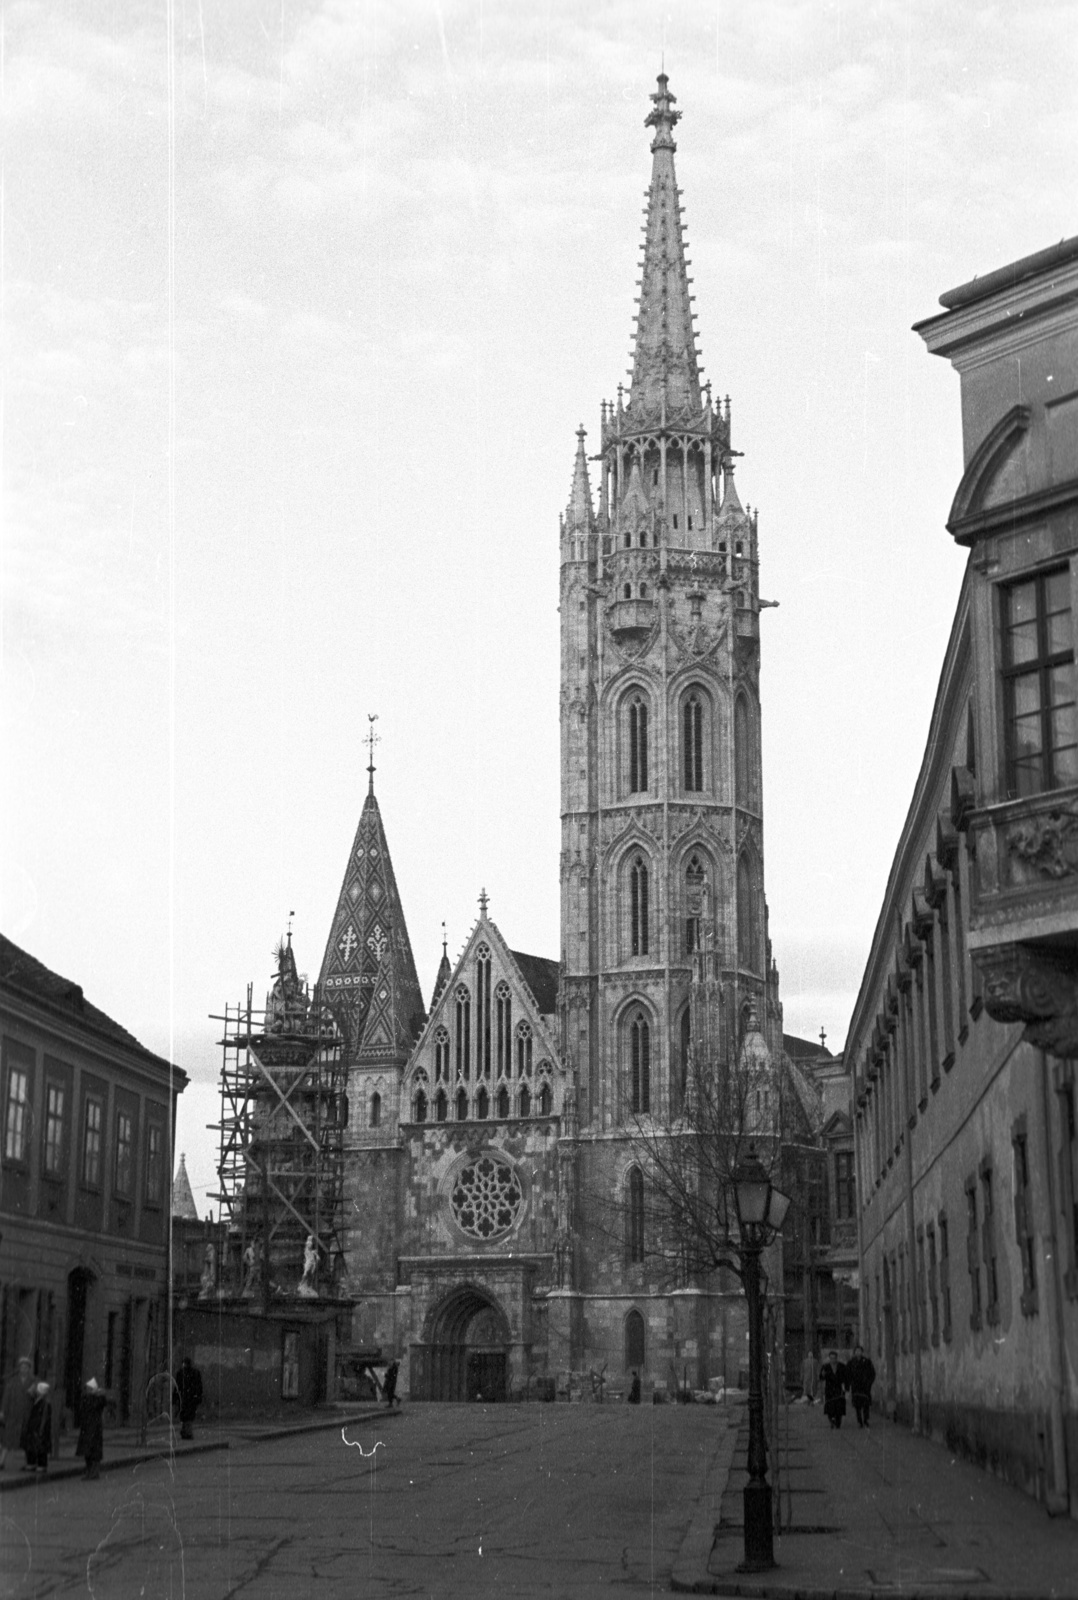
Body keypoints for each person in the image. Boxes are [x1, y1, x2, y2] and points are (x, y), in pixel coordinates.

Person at [0, 1356, 34, 1470]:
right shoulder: (12, 1382)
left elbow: (40, 1393)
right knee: (8, 1439)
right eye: (22, 1367)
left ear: (29, 1369)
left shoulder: (33, 1381)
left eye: (26, 1367)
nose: (23, 1369)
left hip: (26, 1415)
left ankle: (28, 1463)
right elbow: (6, 1397)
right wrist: (3, 1411)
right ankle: (1, 1461)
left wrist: (33, 1390)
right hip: (13, 1415)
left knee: (25, 1441)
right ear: (19, 1368)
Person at [77, 1377, 108, 1479]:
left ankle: (94, 1472)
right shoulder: (85, 1398)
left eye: (89, 1388)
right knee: (87, 1452)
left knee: (94, 1452)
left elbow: (100, 1404)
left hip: (94, 1428)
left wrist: (100, 1394)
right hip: (86, 1428)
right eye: (87, 1389)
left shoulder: (98, 1399)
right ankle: (89, 1471)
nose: (88, 1390)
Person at [21, 1381, 53, 1473]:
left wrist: (41, 1428)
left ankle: (41, 1464)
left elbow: (44, 1417)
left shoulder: (45, 1403)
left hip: (39, 1427)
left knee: (40, 1447)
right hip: (34, 1427)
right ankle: (32, 1463)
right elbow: (29, 1393)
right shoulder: (37, 1400)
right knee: (33, 1446)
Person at [846, 1343, 877, 1428]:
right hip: (855, 1386)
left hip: (865, 1386)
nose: (858, 1353)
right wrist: (848, 1384)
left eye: (859, 1351)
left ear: (862, 1352)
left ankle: (866, 1420)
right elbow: (847, 1374)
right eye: (856, 1351)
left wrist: (869, 1383)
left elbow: (872, 1373)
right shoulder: (851, 1362)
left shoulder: (867, 1362)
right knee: (857, 1405)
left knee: (866, 1404)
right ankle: (859, 1421)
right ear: (854, 1352)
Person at [175, 1356, 203, 1440]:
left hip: (186, 1398)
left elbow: (177, 1387)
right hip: (190, 1398)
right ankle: (187, 1431)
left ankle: (186, 1431)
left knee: (186, 1415)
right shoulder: (193, 1373)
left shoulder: (182, 1373)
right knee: (188, 1416)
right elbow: (199, 1386)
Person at [818, 1349, 847, 1429]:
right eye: (831, 1358)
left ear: (836, 1358)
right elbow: (821, 1377)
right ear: (829, 1358)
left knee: (839, 1406)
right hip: (829, 1388)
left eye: (834, 1358)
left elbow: (846, 1377)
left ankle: (838, 1422)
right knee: (830, 1407)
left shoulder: (842, 1366)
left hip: (839, 1388)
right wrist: (823, 1375)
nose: (833, 1360)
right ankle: (831, 1420)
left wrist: (845, 1387)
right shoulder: (825, 1367)